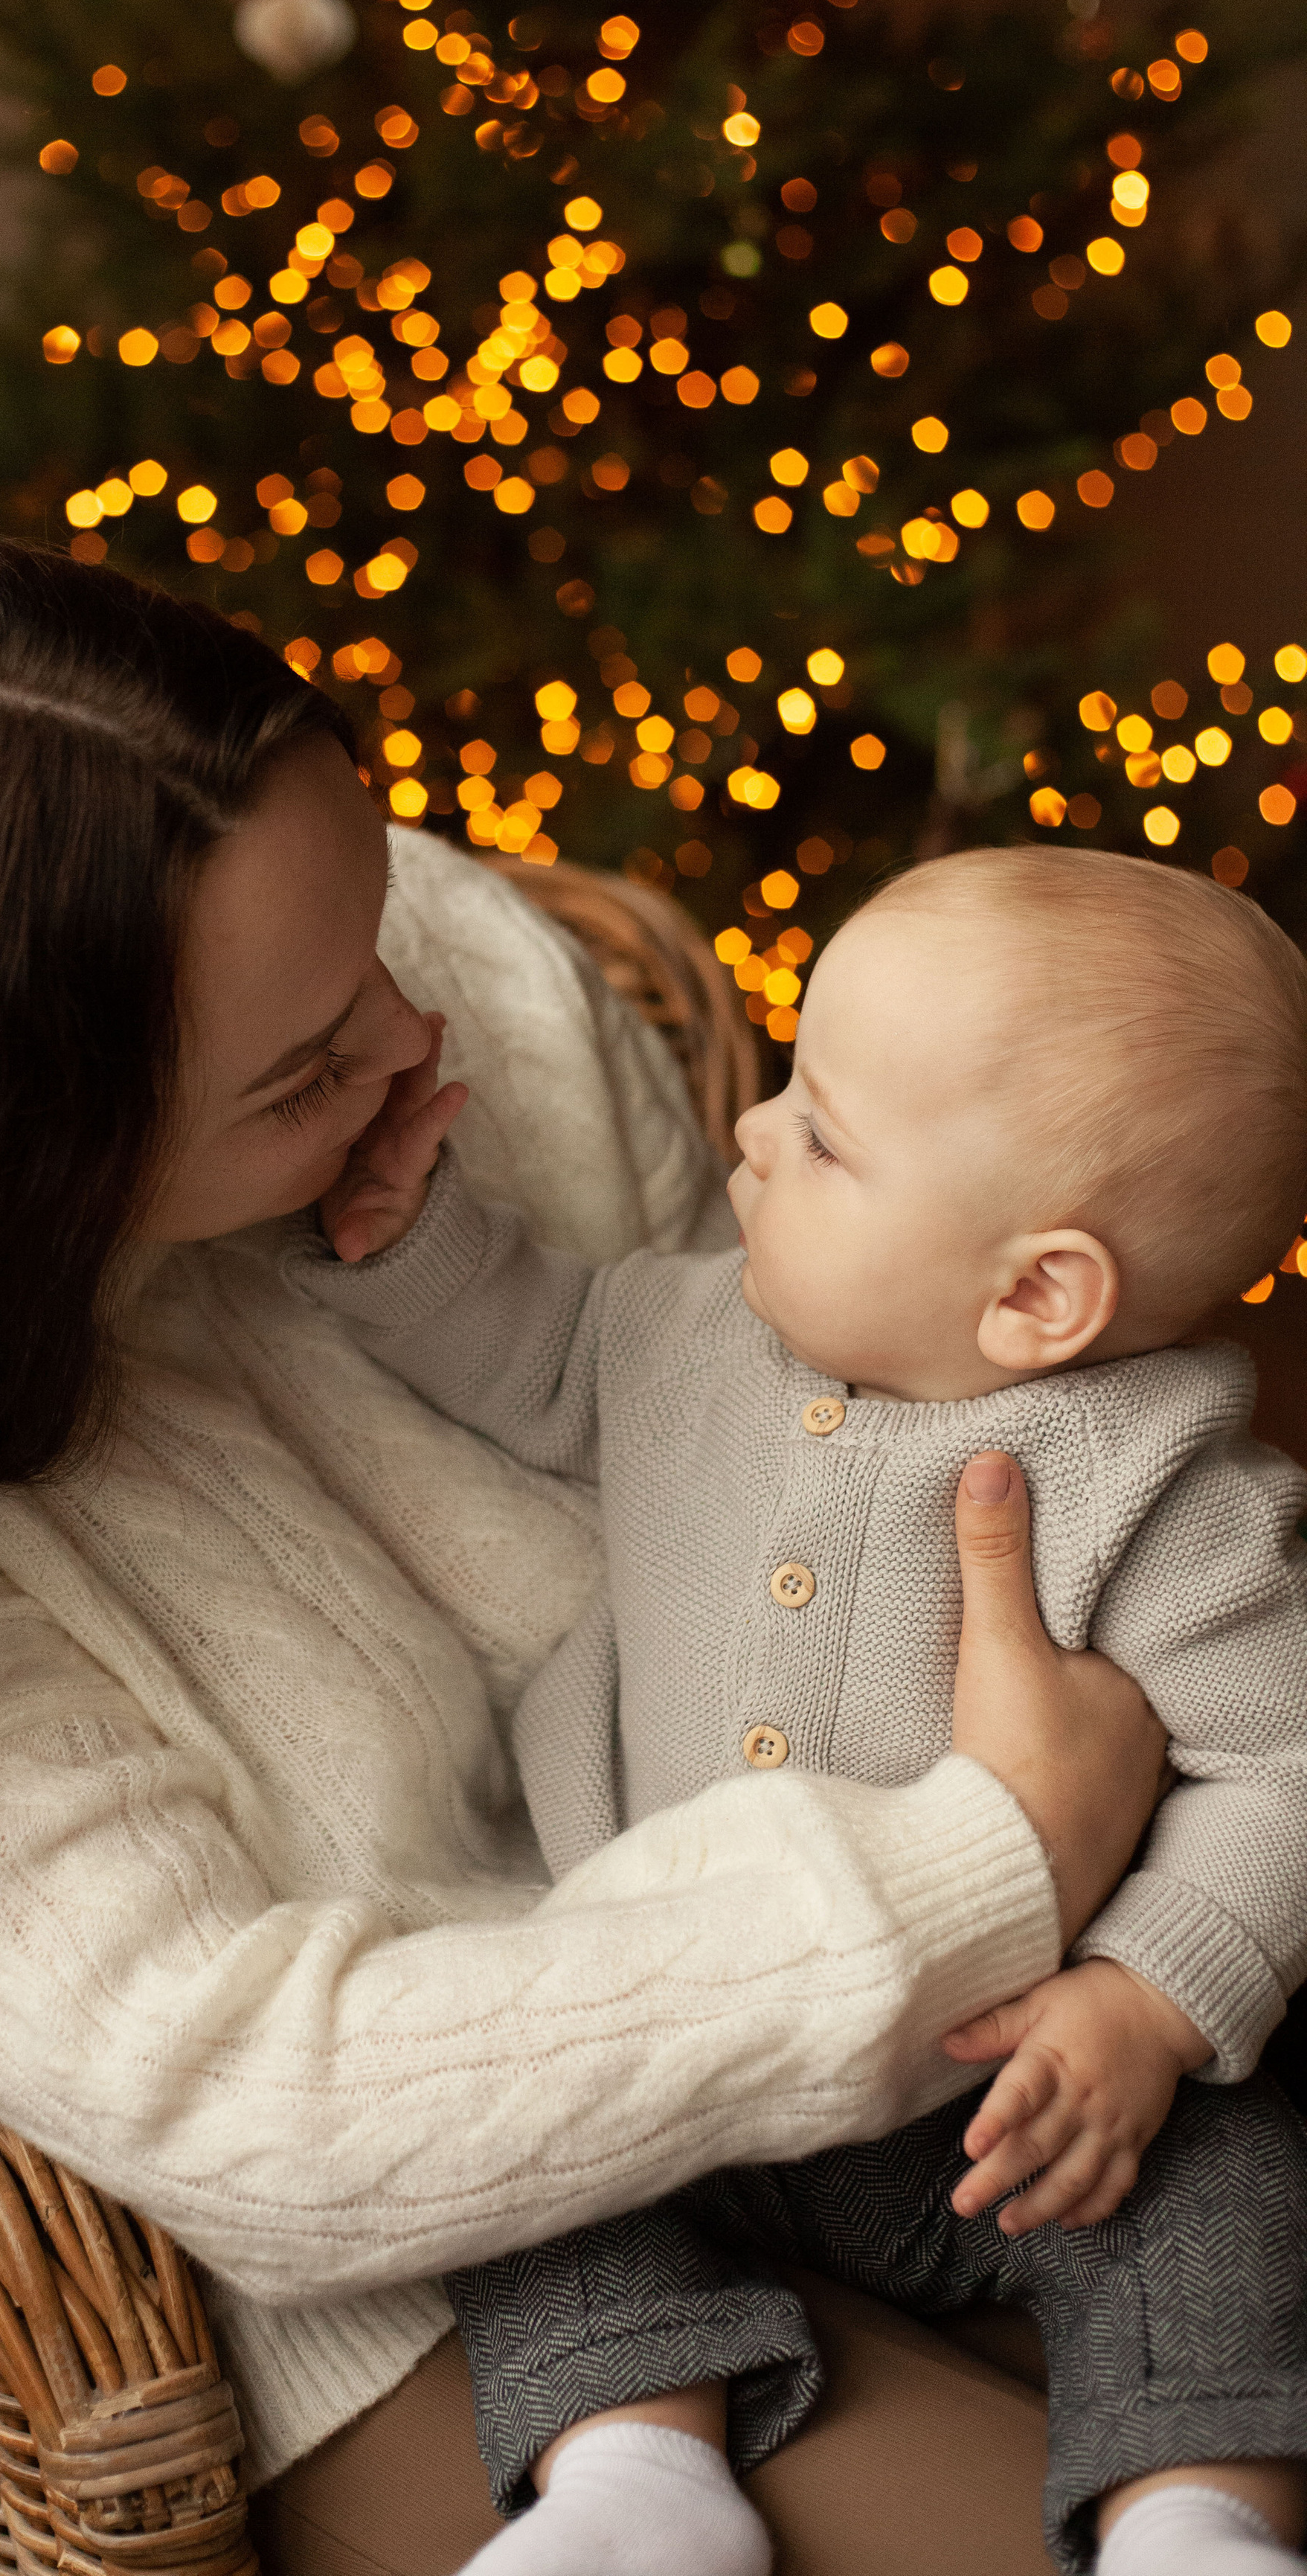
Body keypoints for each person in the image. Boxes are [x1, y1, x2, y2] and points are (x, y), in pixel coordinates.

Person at [0, 542, 1163, 2572]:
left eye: (384, 925)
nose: (422, 1034)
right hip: (403, 2251)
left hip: (850, 1973)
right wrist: (986, 1863)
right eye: (304, 1073)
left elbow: (793, 1437)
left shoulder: (408, 973)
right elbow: (280, 2110)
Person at [293, 843, 1307, 2576]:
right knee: (511, 2158)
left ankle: (1195, 2519)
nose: (749, 1137)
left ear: (1033, 1294)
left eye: (820, 1134)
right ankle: (633, 2475)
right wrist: (411, 1233)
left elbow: (1281, 1760)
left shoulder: (1154, 1483)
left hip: (992, 2111)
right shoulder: (686, 1337)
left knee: (1228, 2187)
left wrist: (1141, 2006)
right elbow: (524, 1348)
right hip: (673, 2042)